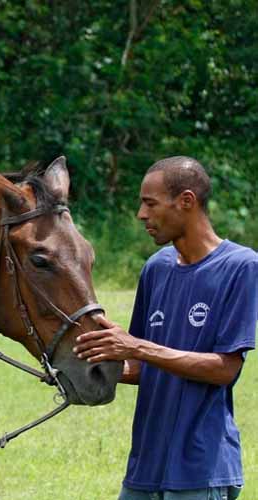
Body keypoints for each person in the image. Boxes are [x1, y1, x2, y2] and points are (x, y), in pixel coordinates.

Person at [74, 157, 257, 500]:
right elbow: (144, 367)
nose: (141, 214)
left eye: (150, 203)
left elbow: (225, 369)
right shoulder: (155, 268)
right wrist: (86, 365)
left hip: (200, 471)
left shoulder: (240, 266)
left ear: (186, 201)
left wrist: (135, 347)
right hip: (145, 468)